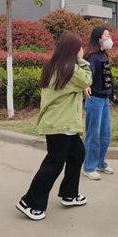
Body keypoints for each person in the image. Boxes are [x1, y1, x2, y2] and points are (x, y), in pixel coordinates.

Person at [17, 31, 92, 221]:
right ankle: (30, 202)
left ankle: (69, 194)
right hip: (61, 124)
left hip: (61, 123)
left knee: (77, 155)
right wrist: (82, 61)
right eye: (79, 48)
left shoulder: (55, 66)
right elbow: (87, 80)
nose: (82, 50)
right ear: (73, 50)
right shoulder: (70, 69)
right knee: (53, 164)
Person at [83, 27, 116, 180]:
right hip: (94, 100)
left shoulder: (104, 55)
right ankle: (89, 166)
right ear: (99, 38)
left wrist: (111, 92)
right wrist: (86, 86)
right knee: (93, 134)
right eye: (107, 35)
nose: (110, 38)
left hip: (104, 99)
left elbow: (107, 76)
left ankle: (101, 162)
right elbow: (87, 76)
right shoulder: (93, 57)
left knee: (105, 133)